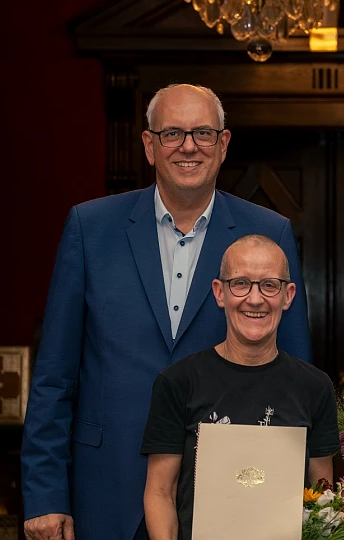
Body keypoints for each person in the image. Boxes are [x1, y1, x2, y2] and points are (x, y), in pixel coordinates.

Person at [21, 84, 312, 540]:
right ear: (149, 145)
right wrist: (44, 495)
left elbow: (295, 376)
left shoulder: (268, 231)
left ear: (224, 144)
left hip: (231, 494)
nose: (188, 146)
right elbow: (55, 375)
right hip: (105, 488)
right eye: (172, 133)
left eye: (202, 132)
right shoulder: (90, 228)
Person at [141, 234, 338, 540]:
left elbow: (324, 497)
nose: (255, 299)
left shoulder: (315, 387)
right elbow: (159, 493)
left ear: (288, 296)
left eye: (269, 285)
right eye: (241, 283)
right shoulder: (178, 382)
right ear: (220, 293)